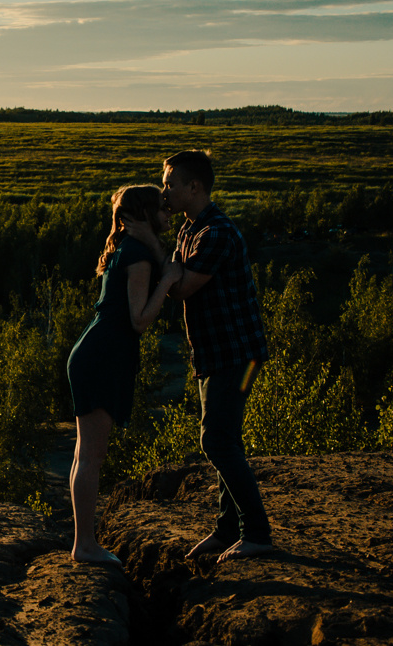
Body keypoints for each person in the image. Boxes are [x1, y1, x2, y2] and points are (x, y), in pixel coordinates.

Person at [136, 149, 272, 563]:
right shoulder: (189, 231)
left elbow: (181, 286)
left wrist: (149, 246)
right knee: (225, 438)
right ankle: (227, 529)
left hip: (241, 358)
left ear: (194, 187)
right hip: (215, 355)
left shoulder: (216, 234)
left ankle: (257, 533)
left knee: (216, 440)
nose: (165, 192)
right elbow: (173, 273)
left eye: (171, 184)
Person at [66, 184, 181, 566]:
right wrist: (166, 281)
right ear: (146, 213)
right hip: (104, 356)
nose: (169, 214)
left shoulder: (127, 249)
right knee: (92, 455)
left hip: (94, 352)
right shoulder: (138, 257)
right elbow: (140, 320)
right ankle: (85, 546)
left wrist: (156, 251)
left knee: (85, 452)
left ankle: (82, 541)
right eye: (162, 210)